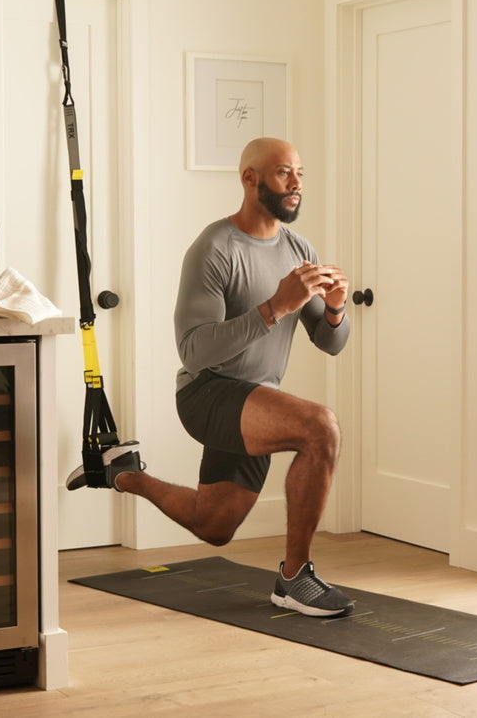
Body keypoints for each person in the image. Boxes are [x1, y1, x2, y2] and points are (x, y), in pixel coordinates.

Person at [67, 137, 353, 617]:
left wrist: (338, 310)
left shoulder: (299, 248)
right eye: (284, 173)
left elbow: (330, 343)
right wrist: (274, 307)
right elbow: (194, 350)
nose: (297, 184)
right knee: (319, 426)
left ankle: (123, 473)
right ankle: (293, 578)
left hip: (258, 400)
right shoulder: (214, 247)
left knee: (214, 525)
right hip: (207, 393)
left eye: (300, 173)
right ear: (250, 179)